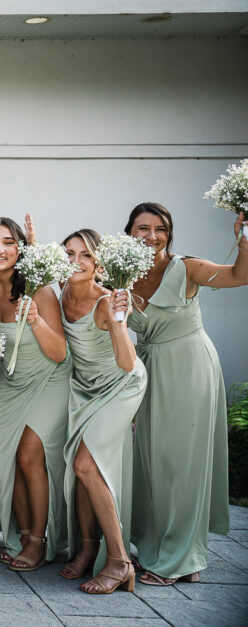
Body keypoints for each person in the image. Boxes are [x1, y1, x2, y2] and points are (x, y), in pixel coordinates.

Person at [127, 204, 247, 585]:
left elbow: (238, 276)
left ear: (169, 233)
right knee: (153, 461)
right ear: (128, 233)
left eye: (160, 228)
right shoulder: (121, 276)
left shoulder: (187, 267)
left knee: (184, 464)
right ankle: (157, 546)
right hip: (149, 372)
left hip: (190, 368)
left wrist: (243, 241)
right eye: (142, 228)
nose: (152, 235)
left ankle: (181, 559)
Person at [0, 217, 71, 573]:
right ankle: (23, 534)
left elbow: (60, 352)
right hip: (9, 384)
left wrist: (35, 321)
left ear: (20, 248)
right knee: (9, 459)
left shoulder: (39, 287)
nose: (0, 250)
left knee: (30, 455)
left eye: (9, 242)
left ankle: (38, 542)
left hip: (48, 379)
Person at [59, 229, 146, 595]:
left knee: (84, 465)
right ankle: (87, 548)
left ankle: (119, 561)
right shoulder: (59, 291)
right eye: (69, 254)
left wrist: (117, 320)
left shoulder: (105, 302)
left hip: (120, 387)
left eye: (86, 256)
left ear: (99, 264)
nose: (76, 262)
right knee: (82, 468)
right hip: (85, 389)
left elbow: (128, 363)